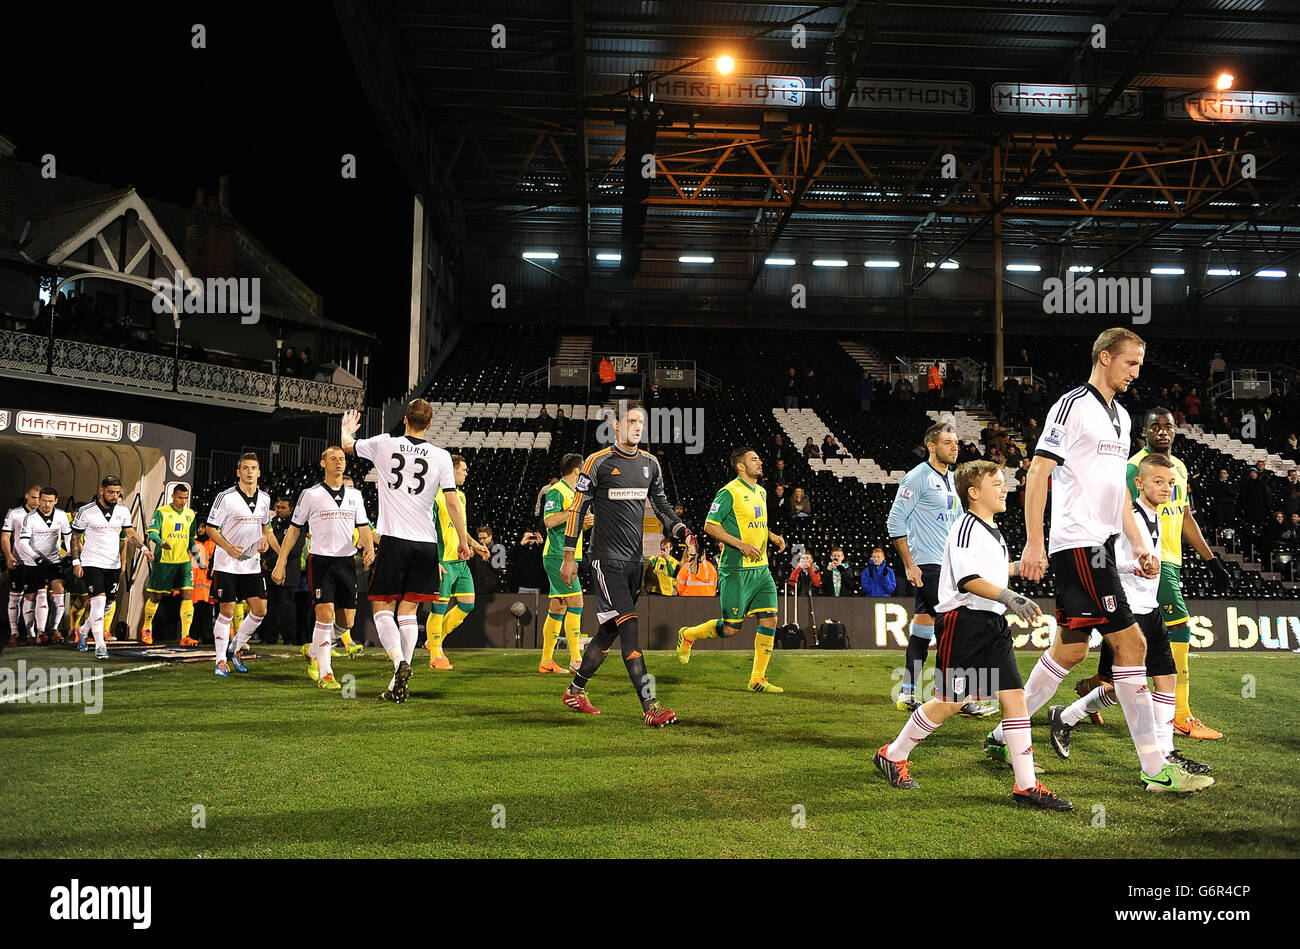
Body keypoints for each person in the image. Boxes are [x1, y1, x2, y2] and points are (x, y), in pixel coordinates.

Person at [1015, 327, 1208, 793]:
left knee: (1073, 650)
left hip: (1104, 543)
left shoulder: (1122, 417)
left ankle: (1006, 734)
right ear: (1105, 358)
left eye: (1139, 364)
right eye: (1131, 364)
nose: (1136, 372)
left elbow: (1117, 492)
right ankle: (1156, 767)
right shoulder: (1072, 405)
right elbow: (1039, 470)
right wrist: (1034, 542)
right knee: (1133, 647)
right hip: (1078, 544)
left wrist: (1139, 542)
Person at [874, 461, 1072, 810]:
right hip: (963, 623)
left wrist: (1022, 568)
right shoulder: (965, 527)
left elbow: (990, 572)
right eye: (995, 483)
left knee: (1015, 701)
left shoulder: (992, 530)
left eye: (1003, 482)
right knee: (950, 702)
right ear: (973, 493)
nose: (1004, 487)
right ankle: (892, 754)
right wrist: (1010, 596)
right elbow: (968, 580)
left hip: (993, 625)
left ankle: (1026, 785)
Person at [1048, 454, 1214, 783]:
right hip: (1125, 615)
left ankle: (1165, 752)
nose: (1166, 488)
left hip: (1148, 611)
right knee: (1124, 686)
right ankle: (1068, 717)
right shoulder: (1126, 516)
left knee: (1165, 679)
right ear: (1139, 484)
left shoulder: (1159, 517)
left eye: (1170, 483)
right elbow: (1102, 558)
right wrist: (1133, 566)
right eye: (1158, 482)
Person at [1077, 408, 1231, 738]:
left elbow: (1185, 515)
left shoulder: (1179, 468)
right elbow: (1116, 518)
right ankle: (1180, 714)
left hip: (1169, 561)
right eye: (1155, 427)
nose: (1163, 432)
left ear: (1177, 431)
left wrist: (1209, 559)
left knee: (1132, 640)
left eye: (1168, 427)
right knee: (1178, 630)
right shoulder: (1134, 468)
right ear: (1143, 433)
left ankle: (1092, 689)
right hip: (1144, 563)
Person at [559, 400, 694, 726]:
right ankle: (650, 706)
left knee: (607, 632)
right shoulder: (598, 462)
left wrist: (683, 531)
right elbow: (577, 509)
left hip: (636, 562)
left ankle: (575, 691)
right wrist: (568, 555)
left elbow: (660, 505)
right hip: (606, 561)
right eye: (631, 421)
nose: (636, 427)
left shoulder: (650, 464)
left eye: (641, 422)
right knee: (630, 627)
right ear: (616, 425)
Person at [342, 400, 466, 703]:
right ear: (430, 424)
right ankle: (399, 681)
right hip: (426, 543)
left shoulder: (385, 444)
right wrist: (463, 539)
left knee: (382, 606)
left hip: (394, 539)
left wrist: (347, 430)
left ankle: (400, 665)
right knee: (409, 610)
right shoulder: (441, 456)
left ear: (406, 419)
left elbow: (347, 446)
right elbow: (452, 503)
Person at [886, 422, 991, 717]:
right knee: (959, 629)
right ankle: (957, 697)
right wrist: (910, 564)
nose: (954, 447)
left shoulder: (953, 479)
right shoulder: (917, 477)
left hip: (950, 565)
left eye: (955, 442)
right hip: (930, 565)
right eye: (947, 442)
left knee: (922, 629)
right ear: (932, 446)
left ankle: (907, 693)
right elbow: (895, 522)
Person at [677, 448, 787, 692]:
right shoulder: (729, 492)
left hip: (761, 570)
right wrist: (740, 545)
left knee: (770, 619)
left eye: (759, 458)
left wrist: (771, 536)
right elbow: (709, 525)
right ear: (740, 466)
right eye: (753, 459)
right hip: (736, 569)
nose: (760, 462)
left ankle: (757, 679)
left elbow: (755, 524)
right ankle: (689, 635)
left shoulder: (761, 491)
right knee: (730, 629)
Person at [271, 447, 374, 691]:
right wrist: (281, 561)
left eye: (342, 459)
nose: (339, 462)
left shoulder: (355, 495)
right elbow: (294, 529)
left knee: (347, 622)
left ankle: (314, 649)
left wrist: (369, 548)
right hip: (321, 562)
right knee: (325, 616)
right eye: (333, 459)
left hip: (347, 562)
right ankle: (326, 673)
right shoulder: (311, 494)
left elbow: (364, 526)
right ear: (322, 463)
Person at [205, 455, 280, 676]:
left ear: (259, 472)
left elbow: (265, 526)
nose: (249, 472)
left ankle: (235, 648)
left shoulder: (265, 499)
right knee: (226, 611)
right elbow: (210, 528)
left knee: (260, 610)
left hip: (251, 565)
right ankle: (220, 661)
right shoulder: (225, 497)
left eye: (254, 468)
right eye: (245, 468)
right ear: (238, 472)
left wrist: (265, 539)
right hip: (227, 564)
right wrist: (227, 547)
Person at [71, 476, 153, 659]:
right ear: (101, 491)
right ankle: (100, 645)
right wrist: (76, 561)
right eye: (111, 492)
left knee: (108, 604)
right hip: (92, 563)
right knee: (98, 602)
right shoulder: (87, 511)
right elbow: (75, 537)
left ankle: (83, 631)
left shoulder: (123, 510)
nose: (115, 495)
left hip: (113, 564)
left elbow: (130, 533)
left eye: (117, 492)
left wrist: (144, 548)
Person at [424, 454, 493, 671]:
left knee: (467, 604)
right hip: (443, 560)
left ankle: (433, 641)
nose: (466, 473)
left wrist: (475, 545)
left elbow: (459, 528)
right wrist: (433, 560)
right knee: (439, 609)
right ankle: (436, 654)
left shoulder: (460, 497)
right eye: (463, 469)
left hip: (461, 560)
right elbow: (427, 531)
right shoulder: (433, 497)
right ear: (451, 470)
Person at [540, 453, 594, 674]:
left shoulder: (574, 493)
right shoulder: (557, 491)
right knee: (576, 603)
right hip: (557, 556)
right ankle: (576, 660)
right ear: (576, 471)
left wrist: (584, 523)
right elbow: (549, 521)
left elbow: (571, 525)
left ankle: (546, 661)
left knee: (558, 607)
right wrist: (573, 512)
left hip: (568, 555)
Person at [140, 483, 202, 646]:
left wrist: (197, 559)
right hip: (164, 561)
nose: (183, 501)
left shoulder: (190, 514)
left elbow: (191, 539)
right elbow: (152, 532)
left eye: (185, 498)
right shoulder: (162, 512)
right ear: (173, 496)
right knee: (156, 596)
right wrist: (160, 543)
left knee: (188, 593)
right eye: (180, 498)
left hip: (183, 562)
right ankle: (147, 628)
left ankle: (185, 636)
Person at [15, 487, 71, 644]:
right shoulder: (30, 518)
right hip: (33, 562)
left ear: (56, 501)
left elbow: (68, 536)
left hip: (53, 560)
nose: (46, 504)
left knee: (59, 590)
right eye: (44, 500)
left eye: (50, 501)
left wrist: (70, 555)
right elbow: (23, 542)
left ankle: (53, 629)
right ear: (39, 499)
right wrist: (36, 558)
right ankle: (31, 632)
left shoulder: (61, 516)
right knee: (31, 596)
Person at [266, 497, 306, 647]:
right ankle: (269, 637)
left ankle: (289, 638)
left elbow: (293, 550)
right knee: (270, 607)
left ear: (291, 509)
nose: (278, 510)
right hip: (269, 571)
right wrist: (266, 562)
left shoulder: (297, 525)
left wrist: (271, 562)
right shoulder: (273, 523)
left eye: (282, 507)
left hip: (288, 572)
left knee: (286, 606)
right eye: (277, 507)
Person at [3, 485, 40, 644]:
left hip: (36, 562)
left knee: (33, 597)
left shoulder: (46, 515)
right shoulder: (15, 513)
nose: (37, 501)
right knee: (15, 595)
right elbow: (5, 536)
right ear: (27, 496)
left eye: (39, 498)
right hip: (18, 560)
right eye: (33, 497)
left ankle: (31, 632)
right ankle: (14, 632)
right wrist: (8, 555)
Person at [189, 523, 216, 645]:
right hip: (194, 583)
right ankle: (193, 635)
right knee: (194, 611)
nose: (200, 530)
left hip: (207, 583)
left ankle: (206, 635)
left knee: (207, 611)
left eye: (203, 527)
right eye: (199, 527)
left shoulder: (212, 543)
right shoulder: (192, 543)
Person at [469, 526, 501, 596]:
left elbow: (499, 569)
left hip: (492, 590)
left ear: (490, 537)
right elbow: (472, 569)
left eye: (484, 538)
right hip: (477, 588)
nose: (481, 541)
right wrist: (471, 557)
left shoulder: (498, 549)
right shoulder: (477, 549)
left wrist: (489, 557)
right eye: (480, 538)